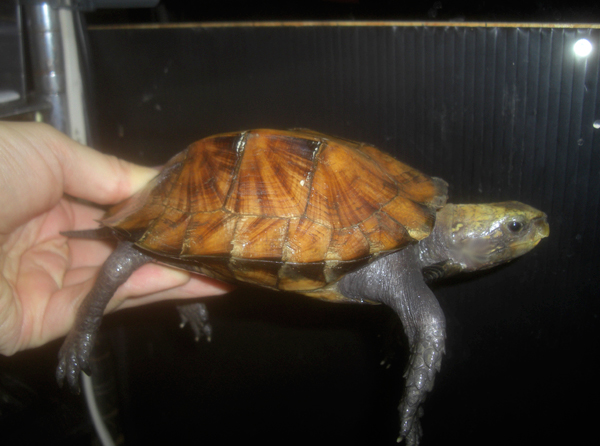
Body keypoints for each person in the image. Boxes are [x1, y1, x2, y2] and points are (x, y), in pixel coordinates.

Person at [0, 121, 231, 357]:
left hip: (187, 219)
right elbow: (113, 270)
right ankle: (84, 327)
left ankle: (183, 296)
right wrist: (84, 328)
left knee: (160, 271)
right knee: (119, 269)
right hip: (172, 211)